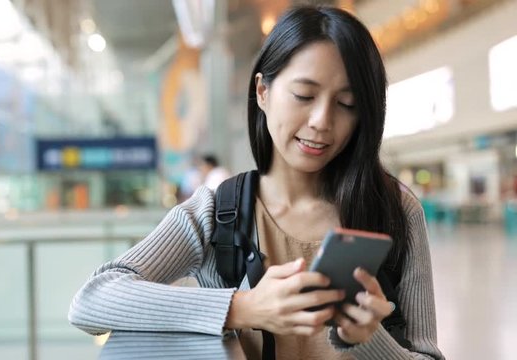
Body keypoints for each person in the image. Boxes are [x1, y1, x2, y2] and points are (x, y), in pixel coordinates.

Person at [68, 5, 444, 359]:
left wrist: (367, 339)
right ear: (262, 91)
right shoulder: (217, 212)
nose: (321, 120)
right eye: (304, 95)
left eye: (347, 104)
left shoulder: (395, 209)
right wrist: (243, 307)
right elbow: (92, 301)